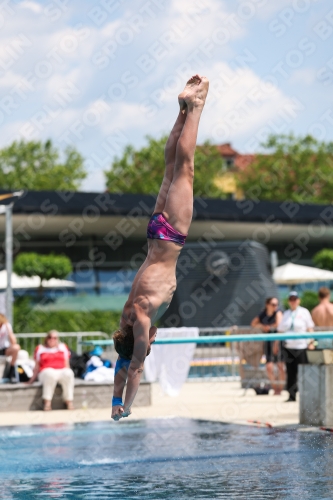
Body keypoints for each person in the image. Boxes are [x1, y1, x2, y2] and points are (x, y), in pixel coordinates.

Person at [111, 74, 209, 421]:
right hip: (153, 234)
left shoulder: (140, 318)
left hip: (170, 238)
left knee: (185, 169)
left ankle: (194, 108)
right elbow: (123, 362)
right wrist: (113, 400)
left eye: (148, 344)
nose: (151, 342)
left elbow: (133, 367)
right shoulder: (126, 314)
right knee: (170, 170)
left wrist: (128, 406)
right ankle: (181, 109)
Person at [277, 291, 314, 402]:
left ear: (298, 300)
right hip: (289, 346)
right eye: (291, 299)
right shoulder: (286, 314)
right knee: (291, 372)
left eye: (295, 299)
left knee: (303, 372)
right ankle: (292, 395)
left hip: (301, 346)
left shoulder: (304, 312)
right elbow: (280, 329)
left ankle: (306, 395)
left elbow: (310, 328)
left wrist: (311, 342)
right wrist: (277, 345)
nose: (293, 301)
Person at [27, 330, 74, 411]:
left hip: (61, 371)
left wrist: (68, 371)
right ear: (46, 338)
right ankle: (47, 402)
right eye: (50, 337)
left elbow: (67, 365)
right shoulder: (40, 348)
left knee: (69, 373)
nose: (52, 339)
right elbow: (37, 367)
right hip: (45, 372)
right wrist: (31, 381)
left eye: (55, 338)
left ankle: (69, 401)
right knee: (50, 374)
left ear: (57, 339)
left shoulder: (63, 347)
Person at [251, 297, 285, 395]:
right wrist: (262, 326)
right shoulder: (263, 314)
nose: (275, 306)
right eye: (273, 304)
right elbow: (253, 323)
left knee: (280, 366)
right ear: (267, 305)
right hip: (268, 342)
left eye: (276, 304)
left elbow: (279, 325)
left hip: (278, 341)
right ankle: (275, 388)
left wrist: (269, 328)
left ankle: (280, 388)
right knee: (269, 367)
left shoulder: (278, 313)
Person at [0, 313, 20, 383]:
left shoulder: (6, 326)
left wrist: (9, 330)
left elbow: (13, 342)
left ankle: (11, 373)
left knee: (16, 348)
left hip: (3, 348)